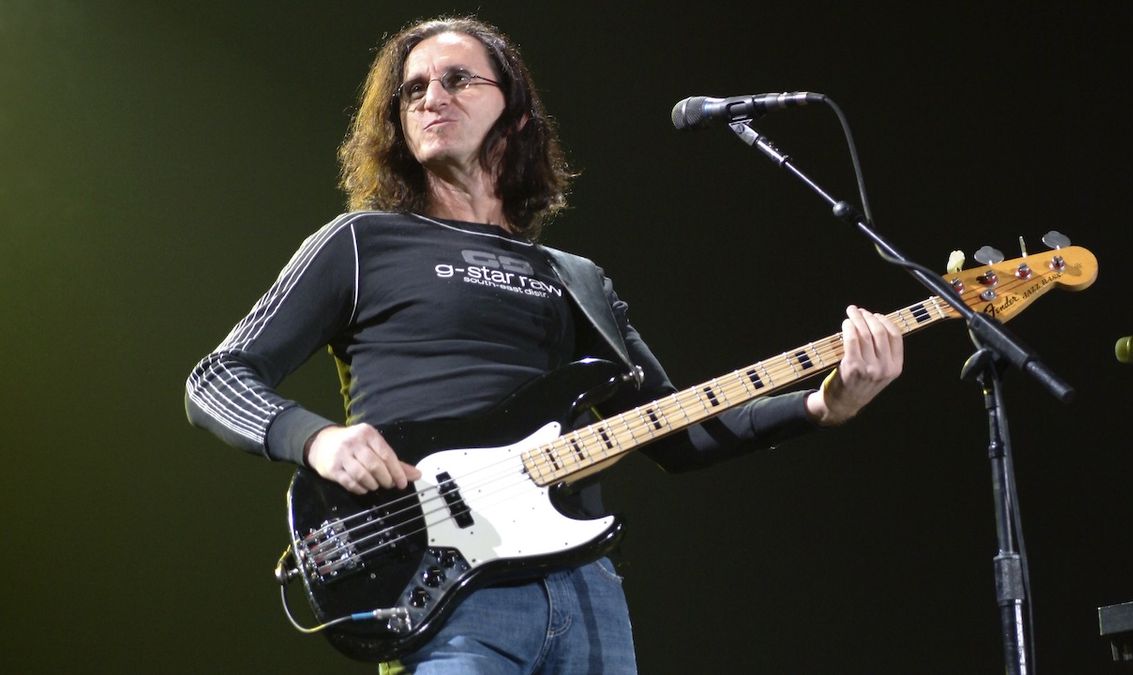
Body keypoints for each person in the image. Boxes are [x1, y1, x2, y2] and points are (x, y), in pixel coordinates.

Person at [185, 16, 903, 675]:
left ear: (517, 112)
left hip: (585, 589)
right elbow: (216, 377)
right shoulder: (360, 242)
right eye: (412, 90)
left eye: (457, 79)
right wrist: (316, 440)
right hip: (444, 595)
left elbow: (684, 431)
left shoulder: (576, 279)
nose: (430, 97)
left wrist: (823, 404)